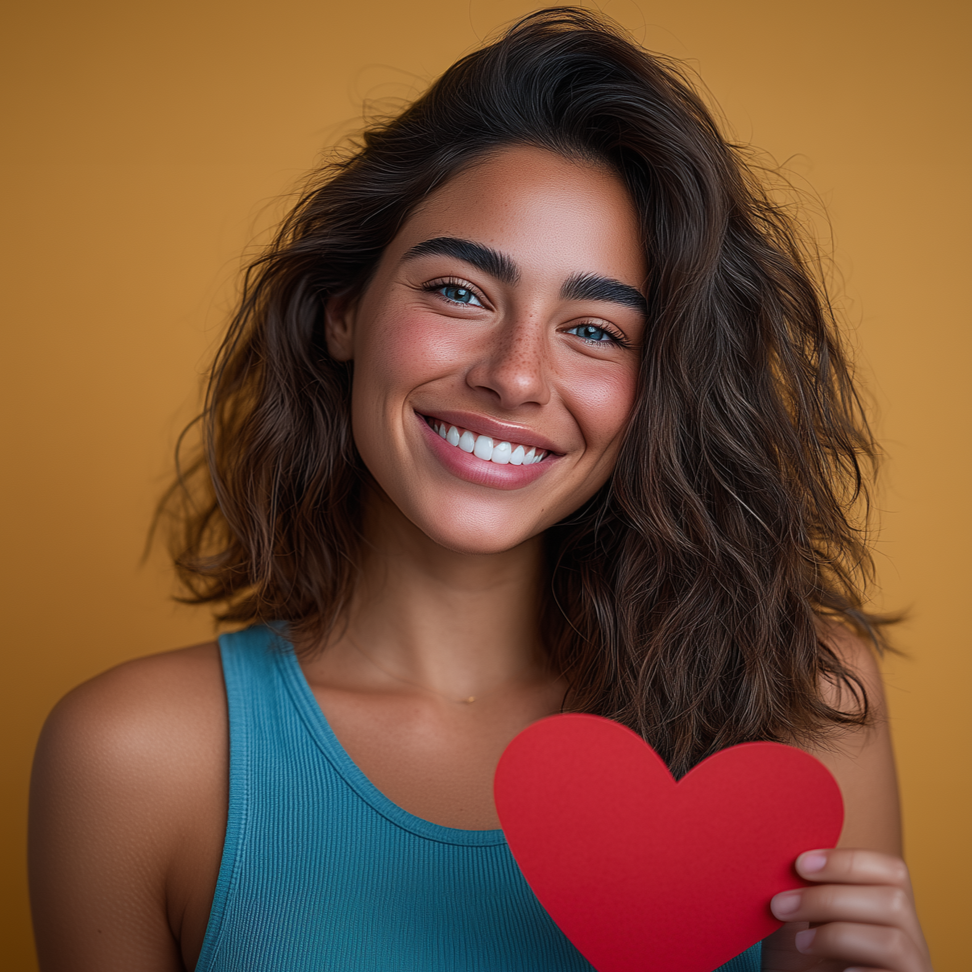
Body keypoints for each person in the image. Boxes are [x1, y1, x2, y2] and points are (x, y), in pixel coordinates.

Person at [28, 8, 932, 971]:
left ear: (661, 388)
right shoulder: (136, 762)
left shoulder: (801, 702)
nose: (515, 376)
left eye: (597, 330)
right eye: (460, 292)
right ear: (345, 310)